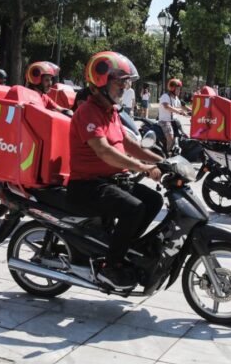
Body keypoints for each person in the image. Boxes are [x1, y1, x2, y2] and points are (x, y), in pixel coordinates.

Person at [66, 51, 163, 289]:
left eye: (126, 82)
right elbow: (104, 151)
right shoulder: (88, 112)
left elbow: (130, 145)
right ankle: (110, 266)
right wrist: (142, 167)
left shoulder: (111, 111)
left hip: (109, 180)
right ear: (100, 84)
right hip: (87, 185)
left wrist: (162, 161)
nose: (124, 87)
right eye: (120, 82)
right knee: (134, 209)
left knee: (154, 200)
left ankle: (123, 247)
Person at [159, 79, 190, 154]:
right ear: (172, 89)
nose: (179, 91)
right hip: (165, 121)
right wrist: (179, 111)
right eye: (178, 89)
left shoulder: (176, 99)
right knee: (171, 139)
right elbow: (167, 106)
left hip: (174, 121)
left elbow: (183, 106)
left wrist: (194, 111)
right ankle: (167, 155)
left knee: (184, 135)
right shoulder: (165, 96)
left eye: (179, 89)